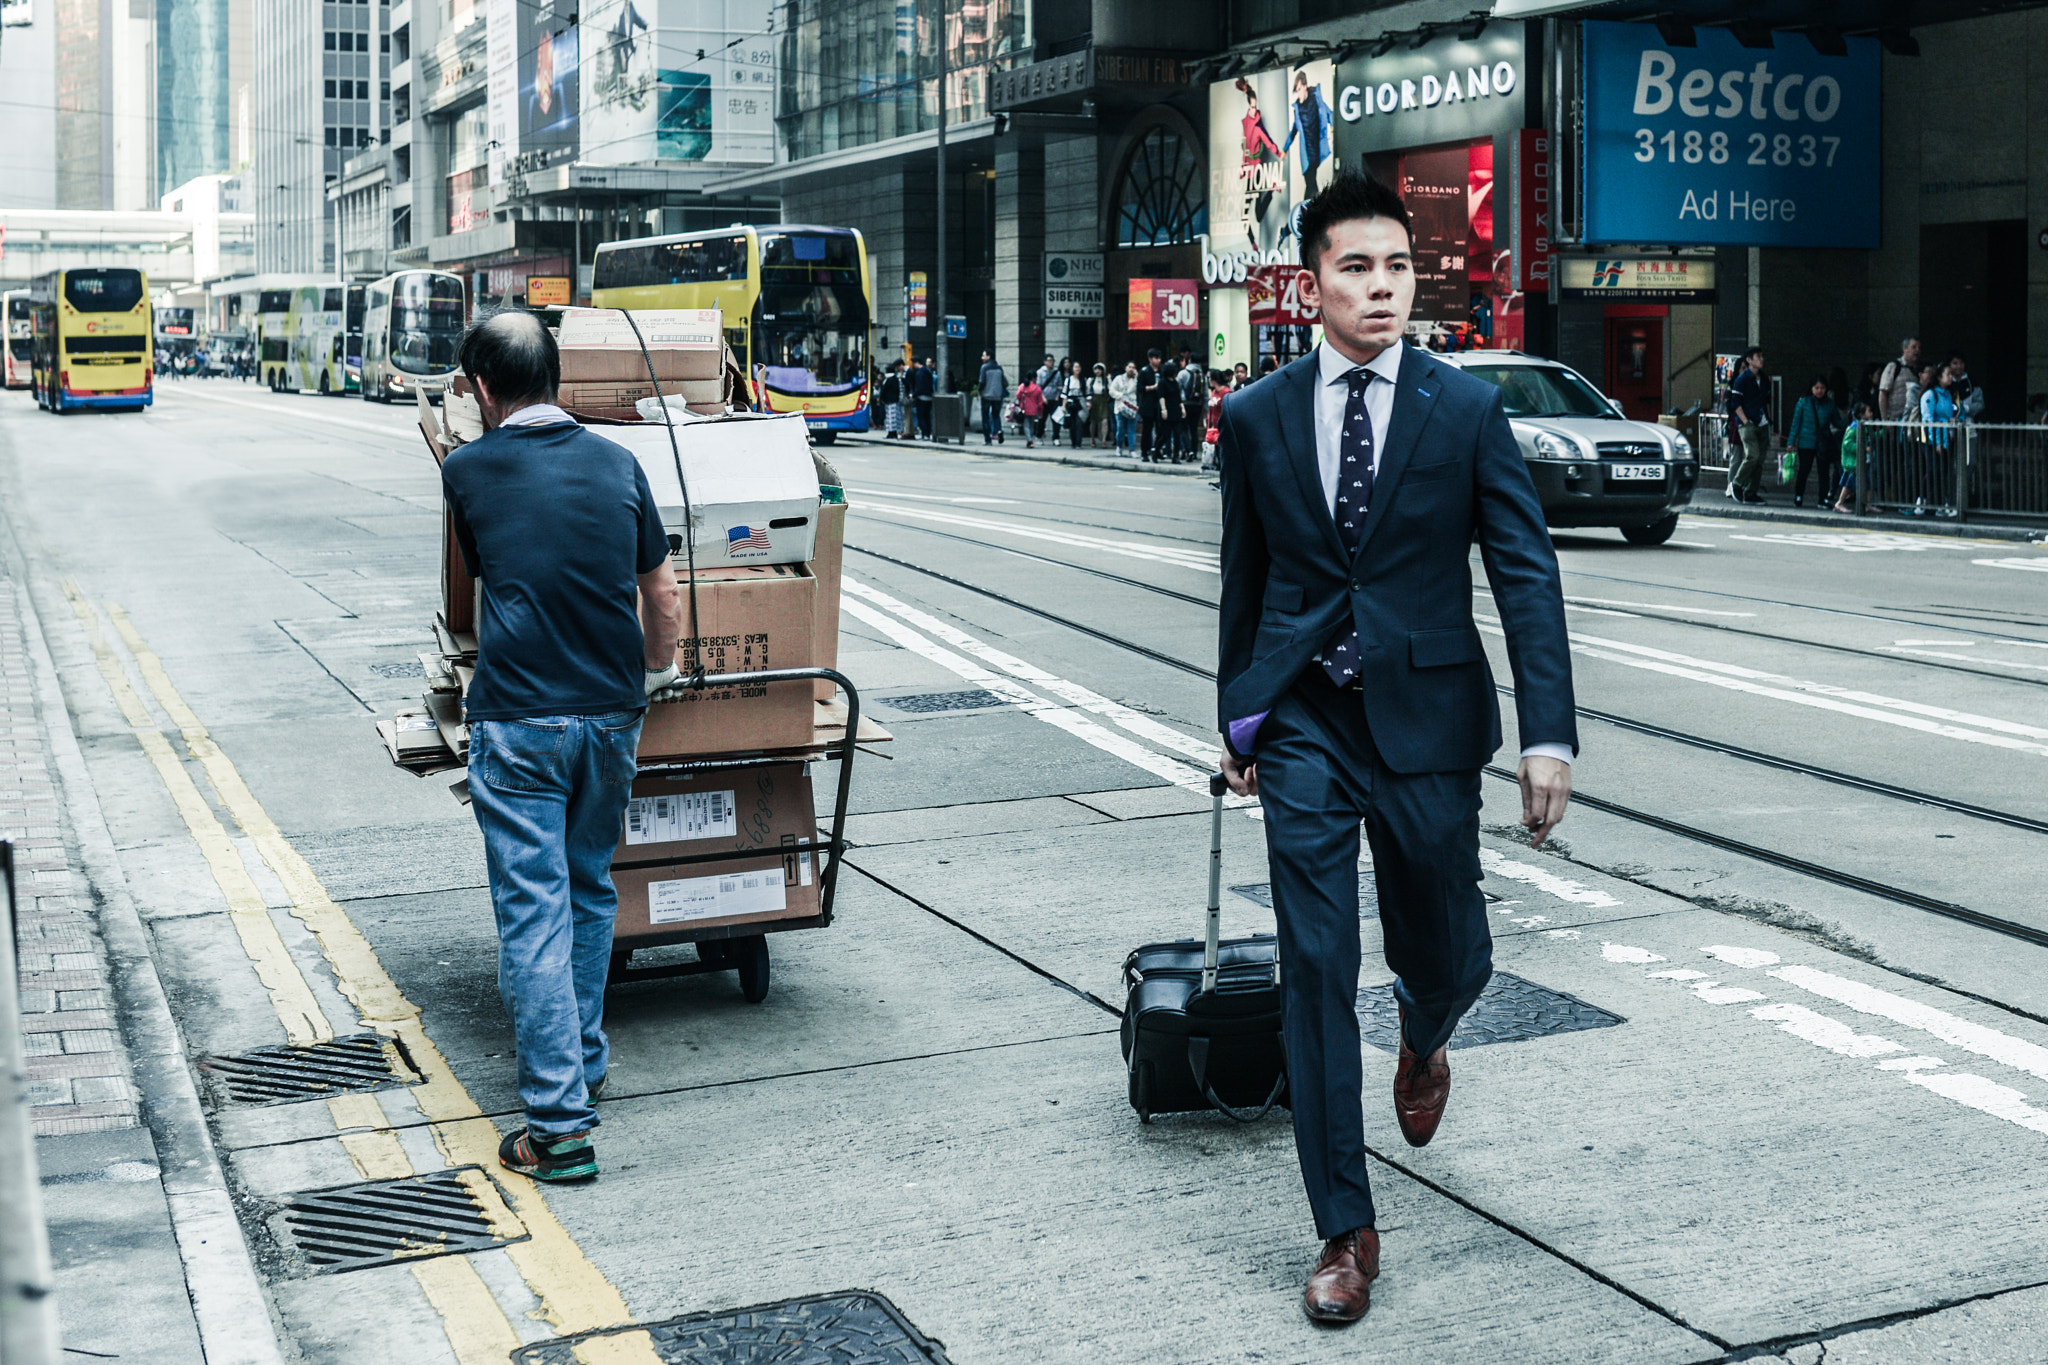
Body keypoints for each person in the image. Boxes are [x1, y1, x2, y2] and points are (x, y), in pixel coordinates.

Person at [1215, 171, 1574, 1326]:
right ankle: (1342, 1226)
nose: (1381, 289)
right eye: (1355, 268)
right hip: (1308, 719)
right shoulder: (1260, 414)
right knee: (1313, 966)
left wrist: (1545, 735)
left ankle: (1425, 1034)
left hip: (1425, 723)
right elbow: (1246, 580)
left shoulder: (1461, 410)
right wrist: (1240, 716)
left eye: (1397, 268)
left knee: (1448, 946)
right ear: (1307, 283)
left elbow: (1523, 571)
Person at [440, 312, 684, 1183]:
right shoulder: (621, 464)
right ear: (558, 377)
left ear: (480, 388)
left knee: (534, 909)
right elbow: (662, 594)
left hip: (521, 721)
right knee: (586, 889)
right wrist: (656, 673)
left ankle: (558, 1126)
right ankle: (582, 1061)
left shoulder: (466, 469)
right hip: (611, 716)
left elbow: (480, 582)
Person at [1726, 346, 1770, 504]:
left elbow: (1765, 401)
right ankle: (1736, 484)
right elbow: (1735, 403)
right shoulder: (1742, 379)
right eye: (1758, 356)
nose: (1761, 359)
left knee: (1759, 461)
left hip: (1762, 423)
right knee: (1752, 455)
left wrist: (1768, 420)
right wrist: (1745, 421)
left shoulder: (1764, 379)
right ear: (1749, 360)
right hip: (1747, 424)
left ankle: (1751, 493)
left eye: (1762, 356)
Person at [1785, 375, 1837, 508]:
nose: (1820, 391)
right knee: (1804, 470)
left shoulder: (1830, 404)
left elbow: (1836, 421)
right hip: (1806, 442)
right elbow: (1795, 424)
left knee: (1824, 472)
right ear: (1811, 388)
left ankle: (1823, 498)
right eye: (1817, 388)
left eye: (1822, 388)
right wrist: (1791, 442)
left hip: (1822, 443)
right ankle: (1799, 495)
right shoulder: (1803, 402)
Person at [1282, 67, 1333, 198]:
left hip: (1316, 150)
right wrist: (1285, 149)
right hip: (1306, 155)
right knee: (1310, 184)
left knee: (1311, 184)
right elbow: (1294, 130)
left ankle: (1309, 213)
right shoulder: (1298, 109)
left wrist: (1333, 130)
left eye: (1299, 89)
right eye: (1296, 91)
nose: (1298, 94)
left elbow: (1329, 114)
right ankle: (1309, 212)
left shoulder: (1316, 99)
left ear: (1305, 86)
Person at [1835, 400, 1870, 514]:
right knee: (1848, 485)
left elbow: (1872, 436)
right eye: (1869, 411)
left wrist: (1881, 432)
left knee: (1865, 483)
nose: (1871, 414)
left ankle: (1867, 504)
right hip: (1852, 463)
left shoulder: (1862, 426)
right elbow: (1847, 444)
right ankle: (1839, 503)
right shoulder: (1854, 427)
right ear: (1861, 415)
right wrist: (1863, 448)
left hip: (1857, 462)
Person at [1878, 337, 1921, 421]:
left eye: (1919, 348)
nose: (1917, 350)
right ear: (1905, 349)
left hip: (1912, 419)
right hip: (1894, 420)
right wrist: (1885, 419)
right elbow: (1883, 393)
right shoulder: (1893, 366)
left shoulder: (1918, 370)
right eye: (1914, 347)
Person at [1137, 349, 1166, 460]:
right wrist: (1151, 387)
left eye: (1159, 358)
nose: (1158, 360)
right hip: (1148, 403)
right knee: (1147, 429)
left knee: (1160, 429)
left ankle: (1157, 450)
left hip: (1159, 403)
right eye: (1156, 358)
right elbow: (1139, 388)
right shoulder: (1144, 371)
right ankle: (1145, 452)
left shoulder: (1162, 370)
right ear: (1150, 359)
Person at [978, 350, 1007, 445]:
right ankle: (998, 430)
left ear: (989, 356)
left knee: (985, 417)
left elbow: (982, 382)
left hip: (986, 395)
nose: (982, 357)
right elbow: (1004, 382)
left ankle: (988, 439)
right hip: (998, 395)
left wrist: (980, 392)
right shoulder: (999, 368)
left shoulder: (984, 368)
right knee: (996, 415)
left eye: (983, 355)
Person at [1946, 351, 1984, 422]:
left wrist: (1966, 408)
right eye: (1955, 363)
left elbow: (1980, 404)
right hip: (1949, 423)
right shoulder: (1946, 382)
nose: (1959, 366)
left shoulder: (1972, 382)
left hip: (1969, 424)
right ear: (1949, 365)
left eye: (1961, 363)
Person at [1111, 361, 1140, 454]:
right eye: (1129, 367)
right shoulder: (1118, 378)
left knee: (1131, 429)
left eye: (1133, 367)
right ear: (1125, 368)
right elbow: (1112, 390)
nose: (1131, 369)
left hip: (1132, 408)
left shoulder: (1136, 380)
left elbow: (1140, 390)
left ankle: (1132, 449)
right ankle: (1119, 446)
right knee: (1121, 429)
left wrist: (1137, 378)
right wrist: (1120, 395)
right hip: (1120, 407)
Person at [1016, 371, 1045, 447]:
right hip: (1034, 409)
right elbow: (1040, 402)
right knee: (1032, 425)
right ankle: (1030, 439)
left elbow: (1018, 396)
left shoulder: (1023, 386)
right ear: (1034, 378)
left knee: (1026, 425)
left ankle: (1029, 440)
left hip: (1024, 408)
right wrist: (1040, 412)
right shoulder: (1037, 388)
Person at [910, 356, 936, 440]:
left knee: (921, 416)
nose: (913, 365)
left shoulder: (919, 373)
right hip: (929, 396)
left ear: (916, 362)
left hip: (922, 397)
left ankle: (924, 434)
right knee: (927, 416)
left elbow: (919, 387)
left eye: (913, 363)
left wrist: (914, 395)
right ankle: (928, 433)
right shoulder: (927, 371)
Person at [1088, 362, 1112, 448]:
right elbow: (1088, 391)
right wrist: (1089, 401)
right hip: (1094, 400)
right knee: (1093, 421)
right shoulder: (1091, 380)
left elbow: (1111, 389)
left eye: (1100, 369)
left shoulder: (1106, 380)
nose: (1098, 371)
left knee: (1104, 421)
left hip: (1103, 400)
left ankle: (1104, 440)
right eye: (1096, 369)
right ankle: (1092, 438)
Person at [879, 361, 904, 438]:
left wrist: (881, 399)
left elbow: (883, 390)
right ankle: (895, 432)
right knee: (895, 418)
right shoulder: (897, 379)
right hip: (896, 401)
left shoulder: (887, 379)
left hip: (889, 401)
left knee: (890, 418)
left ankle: (891, 433)